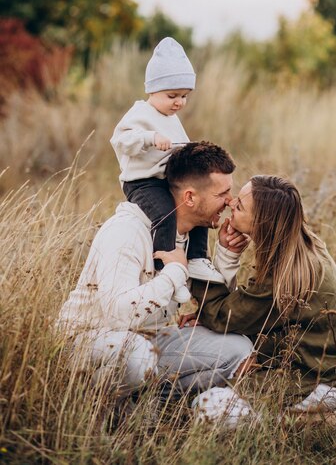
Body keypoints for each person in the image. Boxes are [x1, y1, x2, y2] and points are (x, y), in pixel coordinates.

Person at [56, 142, 254, 402]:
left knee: (239, 348)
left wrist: (227, 255)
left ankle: (151, 401)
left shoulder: (190, 237)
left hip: (149, 339)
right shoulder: (127, 230)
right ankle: (102, 407)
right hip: (88, 342)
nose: (230, 202)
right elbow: (118, 315)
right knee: (136, 355)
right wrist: (174, 272)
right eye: (222, 194)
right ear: (190, 197)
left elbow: (218, 308)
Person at [192, 175, 336, 412]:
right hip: (333, 364)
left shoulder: (282, 275)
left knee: (206, 405)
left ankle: (299, 420)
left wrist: (198, 260)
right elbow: (266, 320)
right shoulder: (304, 244)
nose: (231, 203)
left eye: (240, 206)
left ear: (261, 223)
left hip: (313, 378)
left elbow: (220, 317)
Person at [110, 36, 224, 303]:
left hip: (165, 179)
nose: (178, 103)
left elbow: (179, 147)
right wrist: (149, 138)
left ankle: (196, 257)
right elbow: (120, 140)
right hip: (142, 182)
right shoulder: (140, 114)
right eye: (172, 96)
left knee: (199, 204)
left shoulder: (172, 119)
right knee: (166, 214)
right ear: (152, 90)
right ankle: (165, 270)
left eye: (184, 96)